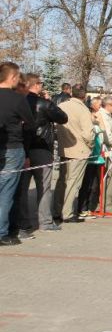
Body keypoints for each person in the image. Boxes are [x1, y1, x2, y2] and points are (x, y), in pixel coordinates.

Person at [14, 74, 68, 234]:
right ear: (36, 85)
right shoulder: (43, 103)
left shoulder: (19, 101)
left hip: (23, 147)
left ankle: (23, 223)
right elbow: (63, 118)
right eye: (40, 83)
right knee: (44, 186)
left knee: (22, 188)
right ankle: (44, 221)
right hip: (42, 147)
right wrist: (48, 102)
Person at [0, 62, 35, 245]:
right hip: (13, 147)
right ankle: (2, 233)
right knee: (7, 192)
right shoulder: (17, 99)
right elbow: (30, 123)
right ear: (13, 77)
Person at [53, 84, 95, 224]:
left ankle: (57, 211)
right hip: (79, 150)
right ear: (84, 95)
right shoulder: (83, 110)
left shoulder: (63, 106)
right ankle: (67, 213)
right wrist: (91, 145)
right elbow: (88, 133)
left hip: (64, 148)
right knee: (73, 182)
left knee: (61, 181)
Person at [76, 98, 104, 216]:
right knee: (86, 185)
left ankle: (89, 207)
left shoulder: (98, 125)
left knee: (94, 185)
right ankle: (82, 208)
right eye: (94, 116)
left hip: (97, 158)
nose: (96, 117)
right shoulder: (91, 126)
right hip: (89, 158)